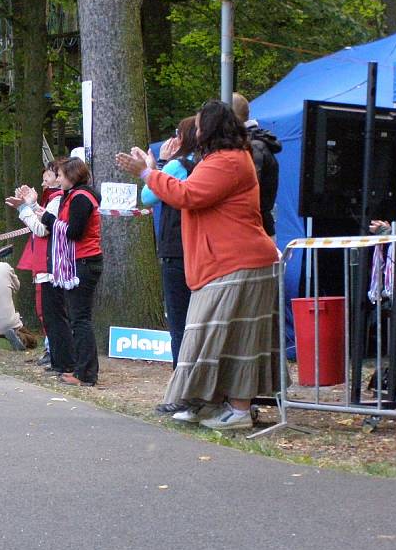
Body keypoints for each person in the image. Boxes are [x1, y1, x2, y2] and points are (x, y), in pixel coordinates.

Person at [116, 99, 279, 430]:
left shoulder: (229, 161)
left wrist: (148, 173)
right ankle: (209, 402)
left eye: (201, 124)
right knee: (214, 337)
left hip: (239, 262)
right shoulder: (221, 159)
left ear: (214, 128)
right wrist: (155, 169)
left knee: (235, 337)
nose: (196, 129)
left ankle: (238, 409)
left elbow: (186, 195)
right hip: (225, 263)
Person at [139, 117, 198, 414]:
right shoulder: (204, 164)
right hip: (199, 252)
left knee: (180, 324)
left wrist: (159, 165)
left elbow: (148, 196)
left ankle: (180, 392)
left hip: (176, 251)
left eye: (176, 133)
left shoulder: (178, 166)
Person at [33, 157, 103, 387]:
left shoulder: (81, 198)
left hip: (83, 262)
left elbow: (73, 232)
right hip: (78, 262)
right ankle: (85, 370)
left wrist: (47, 218)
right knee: (78, 318)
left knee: (80, 319)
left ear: (72, 176)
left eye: (61, 175)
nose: (58, 179)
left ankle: (86, 373)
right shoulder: (73, 196)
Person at [7, 160, 74, 374]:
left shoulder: (58, 200)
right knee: (49, 314)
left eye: (51, 175)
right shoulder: (55, 200)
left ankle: (60, 358)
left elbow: (41, 228)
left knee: (53, 315)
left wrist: (24, 208)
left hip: (50, 266)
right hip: (47, 264)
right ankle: (56, 355)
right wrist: (31, 205)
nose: (45, 180)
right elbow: (45, 218)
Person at [232, 93, 282, 239]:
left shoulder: (253, 147)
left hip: (254, 229)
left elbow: (248, 190)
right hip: (257, 227)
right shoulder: (255, 144)